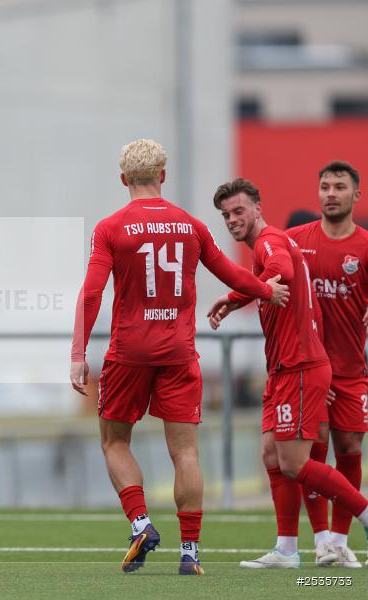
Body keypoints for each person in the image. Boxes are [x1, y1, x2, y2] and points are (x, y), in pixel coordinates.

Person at [70, 139, 290, 576]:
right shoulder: (191, 225)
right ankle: (190, 553)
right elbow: (232, 273)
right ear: (163, 177)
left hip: (128, 352)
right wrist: (267, 289)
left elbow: (91, 292)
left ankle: (141, 523)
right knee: (185, 452)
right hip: (178, 352)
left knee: (115, 440)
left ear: (123, 179)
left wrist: (78, 353)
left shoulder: (110, 227)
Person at [207, 177, 368, 569]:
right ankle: (287, 550)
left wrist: (244, 294)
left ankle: (363, 513)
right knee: (270, 454)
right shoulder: (272, 242)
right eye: (226, 215)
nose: (232, 219)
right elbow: (274, 280)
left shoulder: (268, 242)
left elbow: (281, 271)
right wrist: (236, 299)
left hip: (299, 367)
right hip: (282, 368)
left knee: (297, 462)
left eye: (239, 210)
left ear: (258, 208)